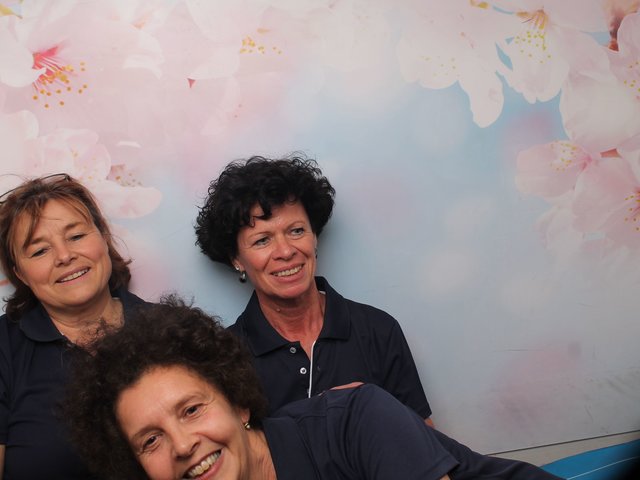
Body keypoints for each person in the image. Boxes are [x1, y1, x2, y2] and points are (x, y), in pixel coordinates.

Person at [62, 297, 562, 480]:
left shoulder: (358, 419)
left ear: (239, 404)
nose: (181, 445)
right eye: (150, 440)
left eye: (191, 410)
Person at [194, 155, 435, 426]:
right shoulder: (224, 357)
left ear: (315, 237)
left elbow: (426, 442)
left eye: (296, 231)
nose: (286, 251)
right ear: (236, 259)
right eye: (262, 240)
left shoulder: (378, 331)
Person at [0, 173, 147, 479]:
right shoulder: (4, 348)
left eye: (76, 236)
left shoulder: (176, 329)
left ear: (103, 237)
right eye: (40, 251)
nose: (65, 256)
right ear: (20, 274)